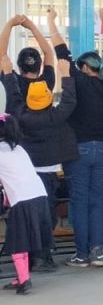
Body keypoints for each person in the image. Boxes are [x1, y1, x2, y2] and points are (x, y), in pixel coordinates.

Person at [50, 7, 103, 267]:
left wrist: (51, 22)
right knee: (97, 201)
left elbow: (61, 51)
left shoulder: (79, 81)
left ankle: (81, 255)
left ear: (82, 67)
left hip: (78, 150)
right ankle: (98, 251)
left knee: (79, 203)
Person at [16, 58, 78, 272]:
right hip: (50, 172)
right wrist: (66, 75)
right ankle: (44, 256)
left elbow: (14, 98)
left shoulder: (22, 116)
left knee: (29, 215)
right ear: (49, 98)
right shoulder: (55, 116)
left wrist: (7, 74)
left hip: (27, 173)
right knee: (47, 214)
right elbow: (70, 101)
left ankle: (33, 257)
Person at [0, 114, 48, 295]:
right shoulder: (19, 149)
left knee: (17, 240)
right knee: (25, 239)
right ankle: (21, 276)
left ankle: (24, 279)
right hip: (39, 195)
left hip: (23, 199)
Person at [0, 8, 56, 99]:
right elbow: (48, 52)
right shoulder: (47, 83)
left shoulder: (12, 83)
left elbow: (1, 54)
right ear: (40, 65)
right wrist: (32, 27)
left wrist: (10, 24)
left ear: (19, 66)